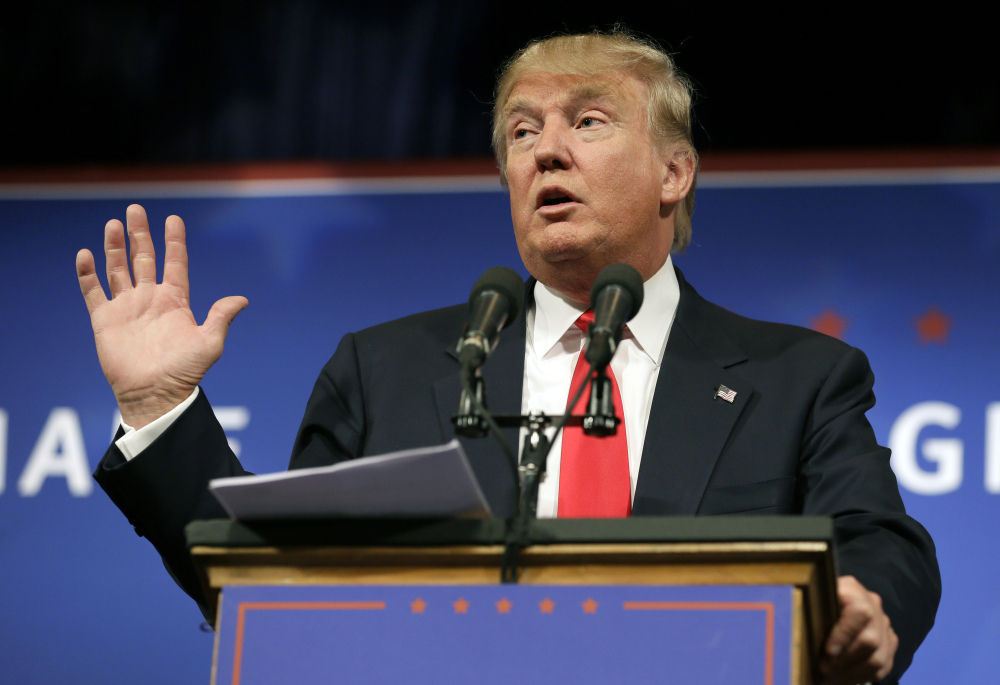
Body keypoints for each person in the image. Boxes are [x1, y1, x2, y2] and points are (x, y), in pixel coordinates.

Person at [77, 31, 939, 684]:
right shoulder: (387, 370)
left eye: (588, 121)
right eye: (522, 132)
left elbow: (881, 539)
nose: (546, 150)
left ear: (675, 172)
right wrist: (162, 411)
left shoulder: (798, 376)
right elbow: (275, 590)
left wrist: (863, 602)